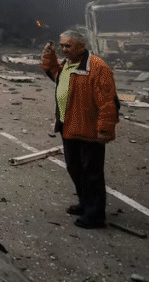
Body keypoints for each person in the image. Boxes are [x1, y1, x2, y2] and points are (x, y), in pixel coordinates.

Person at [41, 29, 119, 229]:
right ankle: (84, 203)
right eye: (61, 45)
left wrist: (105, 130)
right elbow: (53, 73)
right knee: (74, 168)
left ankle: (95, 216)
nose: (63, 49)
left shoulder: (97, 68)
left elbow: (108, 102)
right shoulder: (67, 65)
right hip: (68, 126)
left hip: (89, 130)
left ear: (81, 47)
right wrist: (49, 56)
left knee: (92, 174)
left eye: (68, 46)